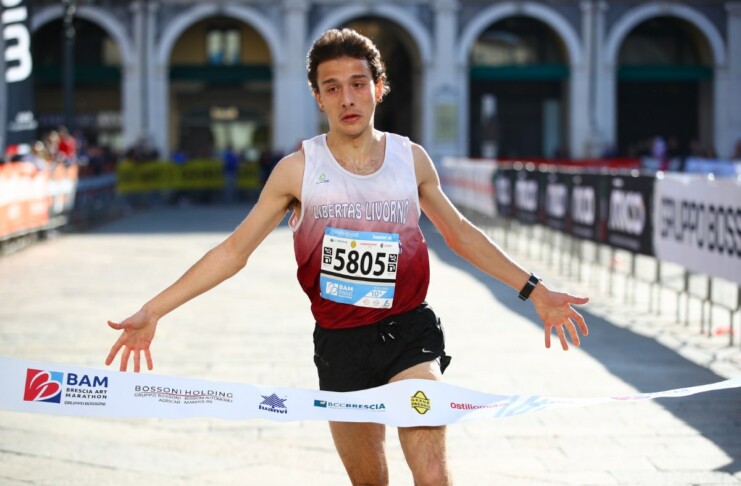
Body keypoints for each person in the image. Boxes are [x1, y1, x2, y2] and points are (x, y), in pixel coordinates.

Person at [105, 28, 589, 485]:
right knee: (370, 481)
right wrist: (154, 310)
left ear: (379, 87)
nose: (347, 99)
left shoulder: (411, 159)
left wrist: (535, 291)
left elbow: (460, 234)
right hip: (341, 347)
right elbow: (234, 251)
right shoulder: (296, 171)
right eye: (332, 88)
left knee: (433, 477)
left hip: (410, 335)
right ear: (318, 97)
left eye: (358, 84)